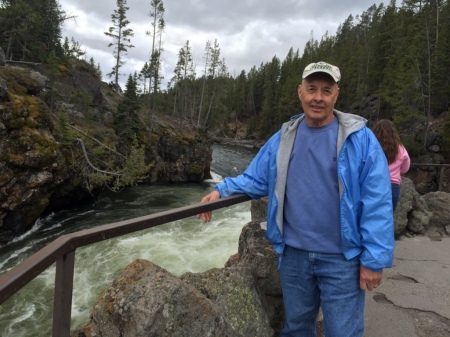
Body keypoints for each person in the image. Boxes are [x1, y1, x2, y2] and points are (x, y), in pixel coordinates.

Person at [198, 61, 394, 337]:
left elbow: (377, 201)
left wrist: (374, 260)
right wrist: (222, 190)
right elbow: (256, 177)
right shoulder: (284, 137)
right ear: (299, 91)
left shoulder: (360, 139)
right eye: (312, 89)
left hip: (342, 259)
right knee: (297, 330)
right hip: (293, 256)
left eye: (326, 90)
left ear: (336, 94)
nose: (318, 97)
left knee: (343, 332)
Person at [373, 119, 411, 212]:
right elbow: (405, 168)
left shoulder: (371, 146)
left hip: (374, 184)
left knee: (371, 217)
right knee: (388, 218)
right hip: (393, 186)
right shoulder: (401, 149)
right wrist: (397, 171)